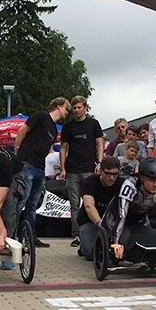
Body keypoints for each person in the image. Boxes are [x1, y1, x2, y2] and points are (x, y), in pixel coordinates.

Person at [101, 156, 156, 260]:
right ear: (142, 177)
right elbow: (122, 215)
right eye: (151, 180)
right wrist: (114, 243)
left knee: (146, 246)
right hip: (115, 218)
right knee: (115, 250)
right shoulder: (130, 185)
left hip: (140, 219)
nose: (155, 185)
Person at [14, 97, 69, 248]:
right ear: (58, 106)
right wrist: (17, 151)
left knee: (32, 205)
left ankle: (31, 236)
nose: (67, 112)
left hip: (40, 168)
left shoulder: (54, 128)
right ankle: (11, 235)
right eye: (66, 108)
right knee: (21, 201)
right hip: (27, 164)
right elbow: (22, 131)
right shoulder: (41, 116)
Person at [60, 95, 104, 247]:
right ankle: (77, 234)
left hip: (89, 168)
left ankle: (95, 230)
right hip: (72, 169)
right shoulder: (68, 126)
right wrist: (63, 167)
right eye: (74, 108)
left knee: (91, 202)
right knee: (74, 204)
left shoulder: (93, 124)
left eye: (79, 107)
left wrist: (100, 163)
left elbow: (100, 144)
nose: (77, 110)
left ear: (85, 108)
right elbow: (63, 148)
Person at [77, 156, 124, 260]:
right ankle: (84, 245)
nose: (111, 178)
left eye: (115, 174)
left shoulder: (121, 183)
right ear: (101, 171)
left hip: (112, 221)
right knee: (91, 255)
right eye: (108, 174)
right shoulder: (90, 182)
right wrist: (100, 224)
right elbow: (89, 206)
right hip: (90, 221)